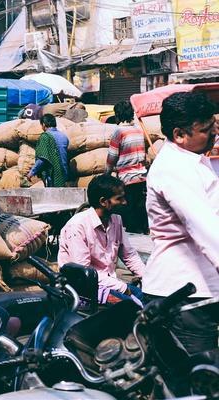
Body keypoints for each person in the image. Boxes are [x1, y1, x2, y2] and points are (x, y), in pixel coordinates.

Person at [142, 91, 219, 355]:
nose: (214, 132)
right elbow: (206, 228)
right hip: (183, 295)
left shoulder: (193, 159)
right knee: (196, 381)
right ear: (179, 134)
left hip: (199, 290)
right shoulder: (174, 169)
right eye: (206, 129)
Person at [58, 174, 145, 305]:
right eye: (119, 199)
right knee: (132, 307)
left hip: (110, 283)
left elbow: (129, 255)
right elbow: (84, 272)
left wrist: (147, 277)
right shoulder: (77, 226)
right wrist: (123, 288)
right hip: (84, 287)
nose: (124, 202)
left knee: (150, 301)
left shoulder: (116, 220)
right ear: (103, 201)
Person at [106, 100, 148, 234]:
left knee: (128, 209)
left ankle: (133, 235)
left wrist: (106, 174)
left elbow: (112, 157)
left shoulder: (119, 132)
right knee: (140, 206)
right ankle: (144, 230)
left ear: (118, 115)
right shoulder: (139, 129)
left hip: (127, 177)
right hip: (142, 175)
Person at [27, 113, 69, 187]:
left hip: (52, 176)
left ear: (43, 124)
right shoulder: (64, 137)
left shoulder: (45, 137)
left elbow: (42, 159)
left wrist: (32, 172)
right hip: (63, 174)